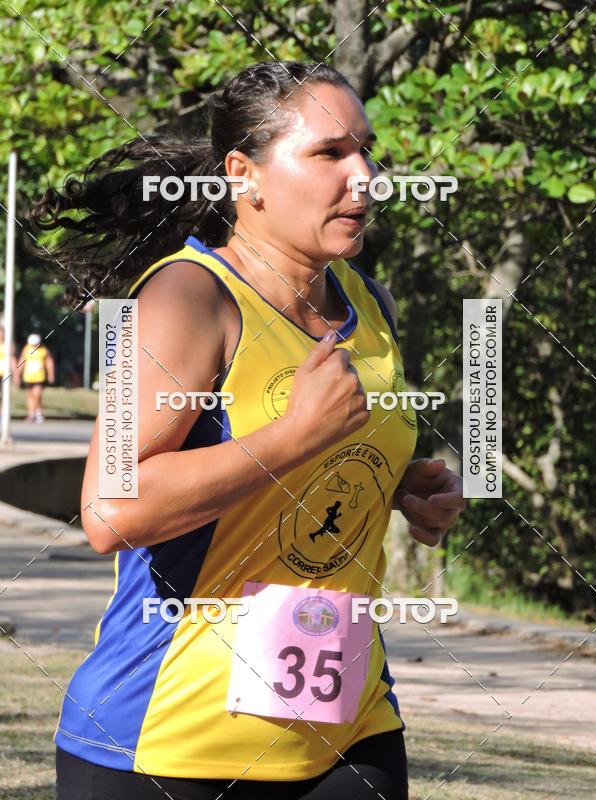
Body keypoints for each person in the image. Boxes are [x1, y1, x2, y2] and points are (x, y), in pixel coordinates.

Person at [28, 61, 466, 800]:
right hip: (170, 744)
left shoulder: (370, 302)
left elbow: (322, 462)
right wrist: (290, 439)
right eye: (329, 153)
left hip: (346, 726)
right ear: (244, 175)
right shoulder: (181, 297)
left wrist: (400, 489)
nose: (363, 176)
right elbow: (110, 510)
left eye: (366, 151)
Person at [16, 333, 55, 422]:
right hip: (28, 376)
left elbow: (49, 362)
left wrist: (51, 374)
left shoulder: (43, 350)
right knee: (30, 396)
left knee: (37, 395)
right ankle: (31, 414)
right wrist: (17, 373)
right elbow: (22, 361)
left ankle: (38, 412)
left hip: (39, 376)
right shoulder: (26, 349)